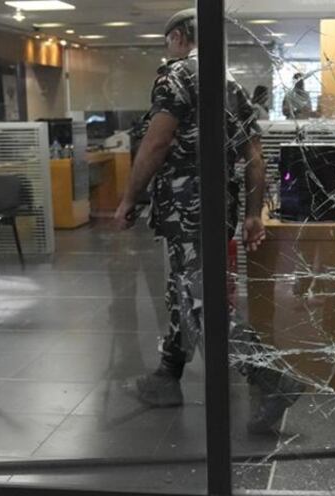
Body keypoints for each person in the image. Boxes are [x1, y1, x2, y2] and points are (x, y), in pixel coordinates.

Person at [112, 8, 301, 435]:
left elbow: (157, 141)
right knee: (184, 290)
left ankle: (273, 380)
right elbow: (255, 158)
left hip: (185, 208)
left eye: (168, 43)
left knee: (202, 302)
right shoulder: (231, 84)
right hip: (220, 207)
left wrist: (128, 198)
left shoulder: (176, 74)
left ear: (178, 37)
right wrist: (253, 213)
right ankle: (167, 375)